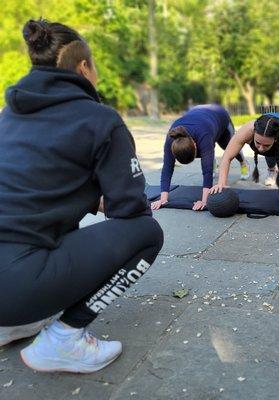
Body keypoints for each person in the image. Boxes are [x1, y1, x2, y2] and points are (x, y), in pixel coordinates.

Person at [0, 19, 164, 373]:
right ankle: (64, 339)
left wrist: (89, 198)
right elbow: (129, 211)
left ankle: (10, 324)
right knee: (147, 233)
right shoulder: (100, 119)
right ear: (84, 67)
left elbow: (29, 190)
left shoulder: (7, 116)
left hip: (12, 275)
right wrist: (108, 197)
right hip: (17, 284)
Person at [210, 113, 279, 214]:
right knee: (269, 154)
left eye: (266, 145)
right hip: (266, 124)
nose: (261, 148)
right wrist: (221, 183)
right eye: (257, 143)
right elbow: (227, 157)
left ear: (275, 139)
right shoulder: (247, 130)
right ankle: (272, 170)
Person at [152, 104, 249, 211]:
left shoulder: (203, 135)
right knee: (207, 154)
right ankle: (211, 159)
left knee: (230, 148)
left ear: (194, 144)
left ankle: (243, 162)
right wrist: (163, 199)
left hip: (219, 116)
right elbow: (167, 168)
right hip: (200, 117)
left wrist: (204, 200)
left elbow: (207, 172)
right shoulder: (172, 138)